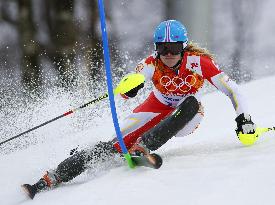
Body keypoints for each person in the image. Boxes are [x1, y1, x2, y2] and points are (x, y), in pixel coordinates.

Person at [22, 20, 256, 199]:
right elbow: (128, 85)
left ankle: (144, 144)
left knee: (191, 102)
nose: (169, 54)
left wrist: (243, 119)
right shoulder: (151, 64)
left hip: (187, 115)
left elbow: (233, 89)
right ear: (156, 49)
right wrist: (130, 88)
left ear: (183, 47)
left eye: (174, 47)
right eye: (163, 48)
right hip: (156, 107)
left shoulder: (199, 63)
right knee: (114, 143)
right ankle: (51, 178)